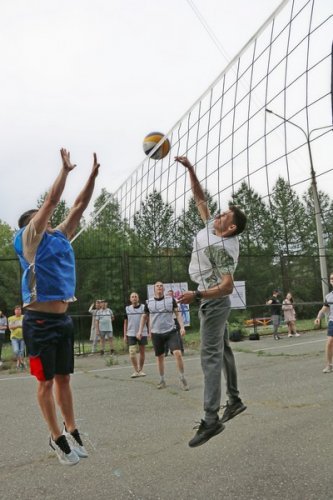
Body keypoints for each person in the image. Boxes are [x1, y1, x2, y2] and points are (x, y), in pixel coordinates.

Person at [13, 148, 100, 466]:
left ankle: (72, 429)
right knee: (45, 381)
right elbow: (51, 203)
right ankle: (55, 437)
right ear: (32, 225)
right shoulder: (29, 240)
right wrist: (64, 171)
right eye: (41, 216)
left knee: (64, 379)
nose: (47, 217)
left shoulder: (60, 237)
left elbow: (78, 205)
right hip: (37, 323)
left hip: (62, 322)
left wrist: (91, 178)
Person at [175, 156, 247, 448]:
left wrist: (198, 295)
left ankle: (210, 419)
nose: (216, 216)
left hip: (214, 302)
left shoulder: (220, 245)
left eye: (222, 217)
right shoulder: (211, 229)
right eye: (218, 214)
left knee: (210, 356)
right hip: (211, 299)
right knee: (224, 349)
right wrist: (191, 169)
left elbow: (227, 287)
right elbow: (199, 198)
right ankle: (235, 400)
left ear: (229, 228)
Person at [137, 281, 189, 391]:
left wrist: (182, 327)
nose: (159, 287)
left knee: (178, 353)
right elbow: (144, 317)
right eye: (157, 286)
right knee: (160, 358)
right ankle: (162, 380)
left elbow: (178, 313)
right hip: (156, 333)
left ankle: (182, 378)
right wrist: (140, 331)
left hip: (170, 331)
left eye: (161, 286)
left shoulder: (171, 300)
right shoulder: (149, 302)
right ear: (154, 289)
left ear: (163, 289)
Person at [123, 292, 148, 378]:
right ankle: (136, 370)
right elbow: (125, 322)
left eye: (135, 296)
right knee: (132, 352)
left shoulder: (144, 307)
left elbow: (147, 319)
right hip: (131, 333)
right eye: (132, 297)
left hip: (142, 332)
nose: (134, 298)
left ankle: (140, 370)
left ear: (138, 298)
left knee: (142, 352)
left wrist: (149, 331)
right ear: (130, 299)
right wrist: (124, 335)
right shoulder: (127, 309)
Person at [314, 272, 333, 373]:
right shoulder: (329, 296)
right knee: (329, 342)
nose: (332, 280)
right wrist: (318, 317)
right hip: (332, 321)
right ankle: (329, 365)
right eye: (331, 279)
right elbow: (323, 309)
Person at [8, 305, 25, 370]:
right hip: (14, 337)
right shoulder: (10, 318)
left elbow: (26, 325)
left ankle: (19, 362)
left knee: (22, 351)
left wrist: (16, 325)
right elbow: (10, 327)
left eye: (19, 309)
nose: (18, 311)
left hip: (23, 337)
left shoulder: (24, 317)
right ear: (14, 311)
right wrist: (19, 325)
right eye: (17, 310)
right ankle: (21, 362)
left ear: (21, 311)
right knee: (16, 350)